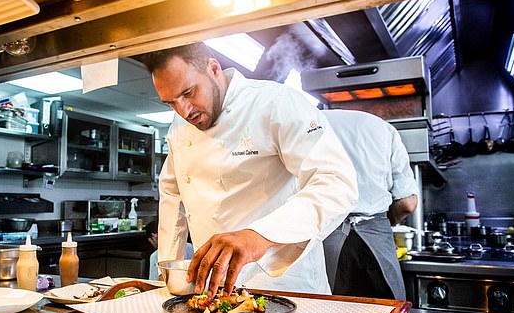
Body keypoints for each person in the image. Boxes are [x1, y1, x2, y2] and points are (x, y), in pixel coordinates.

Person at [140, 43, 358, 297]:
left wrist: (258, 235)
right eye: (171, 103)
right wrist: (168, 272)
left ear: (213, 68)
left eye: (188, 93)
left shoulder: (276, 102)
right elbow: (172, 193)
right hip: (211, 286)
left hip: (282, 284)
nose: (183, 111)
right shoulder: (180, 125)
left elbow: (336, 182)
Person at [321, 109, 419, 301]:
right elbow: (407, 203)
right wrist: (385, 223)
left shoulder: (311, 121)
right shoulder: (384, 129)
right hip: (376, 239)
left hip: (324, 237)